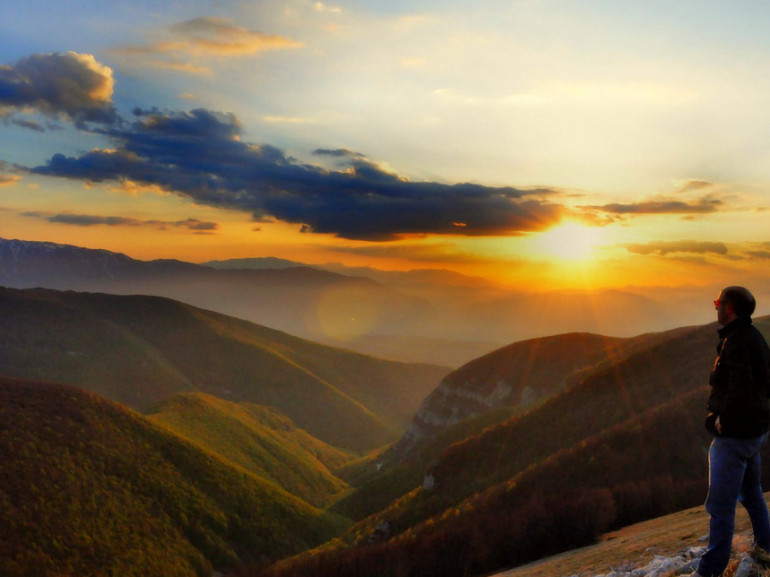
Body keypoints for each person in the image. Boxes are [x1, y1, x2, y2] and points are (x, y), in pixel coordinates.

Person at [692, 286, 770, 577]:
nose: (715, 307)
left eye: (718, 302)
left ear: (730, 308)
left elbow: (739, 388)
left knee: (720, 506)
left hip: (735, 437)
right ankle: (766, 549)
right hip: (755, 433)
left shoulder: (736, 342)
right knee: (752, 495)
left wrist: (719, 422)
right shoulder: (754, 337)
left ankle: (709, 571)